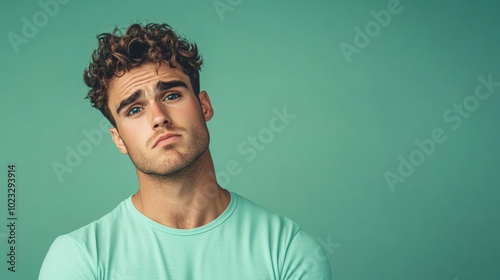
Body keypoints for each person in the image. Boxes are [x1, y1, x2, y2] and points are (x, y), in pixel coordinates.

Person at [39, 23, 332, 280]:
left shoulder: (288, 250)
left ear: (204, 106)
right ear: (118, 139)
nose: (159, 117)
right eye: (135, 109)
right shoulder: (79, 259)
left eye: (171, 95)